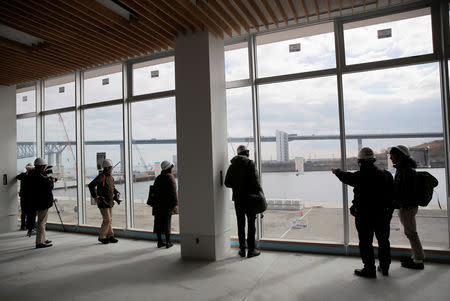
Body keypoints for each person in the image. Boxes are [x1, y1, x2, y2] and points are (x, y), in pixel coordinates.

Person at [332, 147, 394, 278]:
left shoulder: (359, 176)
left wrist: (336, 171)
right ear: (373, 160)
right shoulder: (385, 174)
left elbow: (346, 177)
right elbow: (392, 195)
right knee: (384, 241)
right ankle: (385, 267)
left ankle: (369, 269)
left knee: (365, 243)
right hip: (382, 215)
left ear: (359, 161)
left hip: (364, 216)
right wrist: (388, 213)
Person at [389, 145, 425, 270]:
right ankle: (415, 256)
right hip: (407, 206)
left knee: (411, 233)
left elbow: (403, 191)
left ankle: (418, 260)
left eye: (392, 155)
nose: (390, 158)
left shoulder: (406, 171)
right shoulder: (404, 169)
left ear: (399, 156)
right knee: (410, 232)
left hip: (407, 207)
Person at [225, 145, 262, 258]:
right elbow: (256, 183)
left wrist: (237, 186)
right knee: (251, 224)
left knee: (241, 225)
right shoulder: (250, 164)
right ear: (246, 153)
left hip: (238, 199)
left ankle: (242, 250)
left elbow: (227, 183)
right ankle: (251, 250)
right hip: (250, 199)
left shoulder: (232, 166)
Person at [88, 159, 120, 244]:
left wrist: (116, 192)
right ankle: (102, 237)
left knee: (110, 219)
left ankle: (110, 236)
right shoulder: (101, 177)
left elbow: (112, 187)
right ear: (107, 168)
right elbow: (91, 185)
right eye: (111, 167)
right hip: (103, 202)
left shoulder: (110, 177)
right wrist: (95, 197)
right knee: (107, 219)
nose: (112, 168)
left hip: (109, 202)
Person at [29, 158, 55, 248]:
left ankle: (43, 239)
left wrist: (47, 177)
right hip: (43, 202)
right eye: (44, 166)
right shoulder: (40, 177)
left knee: (43, 222)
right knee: (41, 223)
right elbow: (49, 186)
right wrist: (51, 180)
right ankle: (39, 242)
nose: (45, 168)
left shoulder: (33, 174)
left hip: (39, 202)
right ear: (42, 167)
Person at [152, 160, 178, 248]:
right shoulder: (170, 177)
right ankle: (168, 242)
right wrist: (175, 204)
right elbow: (173, 193)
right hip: (166, 205)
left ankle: (159, 242)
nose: (173, 169)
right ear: (169, 168)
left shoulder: (158, 177)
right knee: (167, 223)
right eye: (172, 167)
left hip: (157, 204)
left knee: (158, 223)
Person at [16, 163, 34, 232]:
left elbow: (17, 177)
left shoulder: (23, 175)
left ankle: (23, 226)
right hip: (30, 197)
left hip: (23, 196)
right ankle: (29, 227)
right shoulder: (32, 176)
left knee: (23, 212)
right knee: (30, 213)